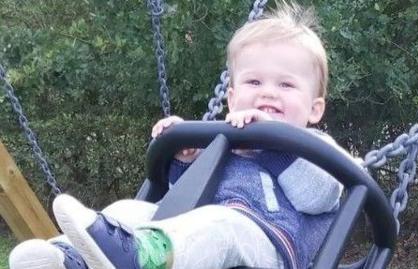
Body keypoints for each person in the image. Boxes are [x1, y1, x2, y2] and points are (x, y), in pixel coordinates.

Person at [10, 1, 349, 268]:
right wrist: (184, 158)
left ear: (315, 108)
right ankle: (65, 259)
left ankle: (143, 257)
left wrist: (270, 143)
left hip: (266, 247)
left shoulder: (316, 148)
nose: (268, 94)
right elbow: (183, 197)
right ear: (232, 99)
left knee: (220, 224)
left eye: (286, 84)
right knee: (131, 210)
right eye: (254, 82)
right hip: (194, 241)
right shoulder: (224, 142)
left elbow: (319, 196)